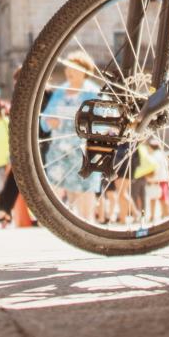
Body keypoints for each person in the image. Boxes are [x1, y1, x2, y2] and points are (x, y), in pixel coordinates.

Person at [42, 55, 100, 222]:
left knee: (84, 188)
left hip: (83, 150)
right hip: (59, 149)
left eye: (73, 69)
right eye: (67, 68)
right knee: (55, 186)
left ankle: (87, 222)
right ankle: (57, 223)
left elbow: (102, 118)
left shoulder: (92, 91)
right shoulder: (60, 90)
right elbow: (45, 116)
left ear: (84, 72)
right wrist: (48, 121)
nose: (69, 72)